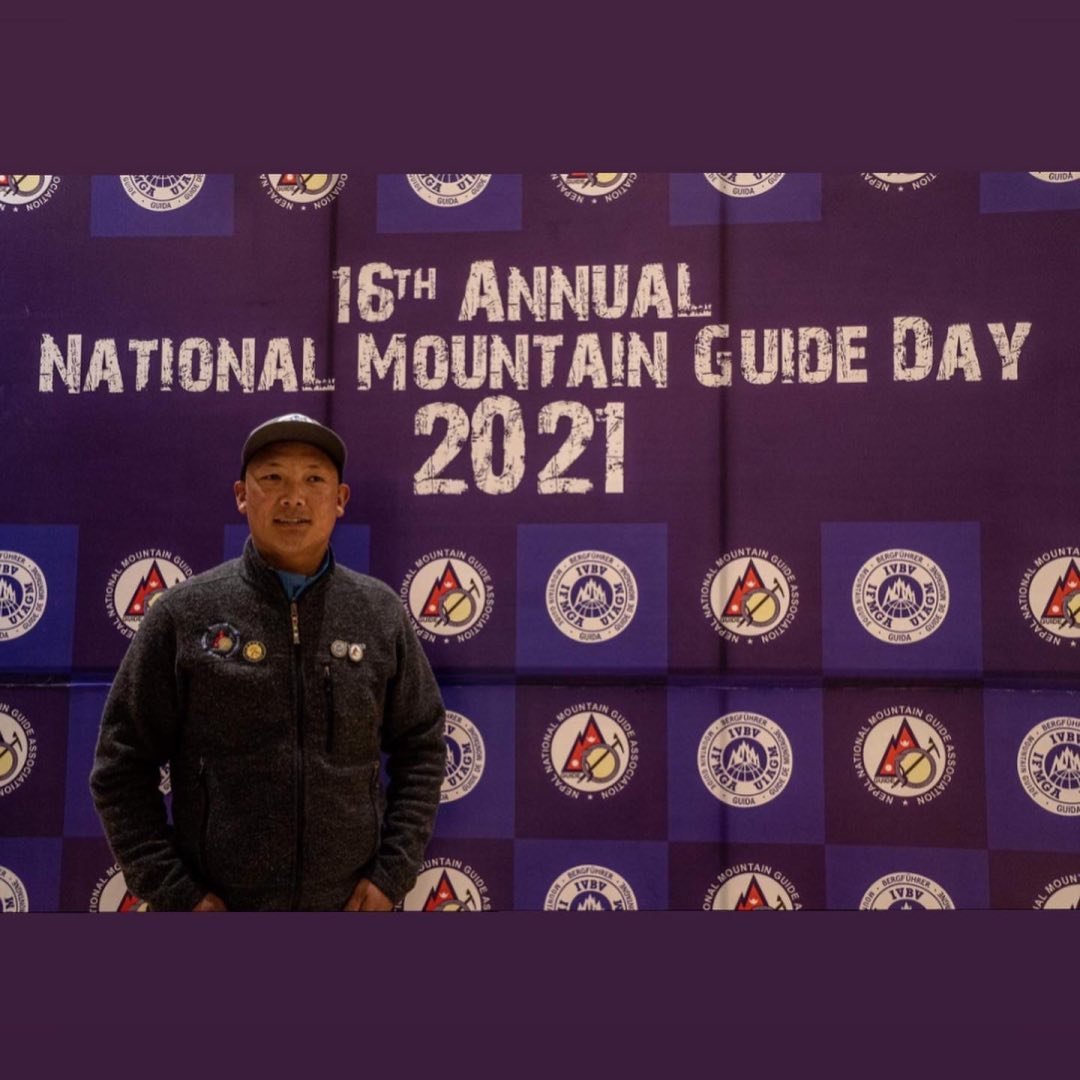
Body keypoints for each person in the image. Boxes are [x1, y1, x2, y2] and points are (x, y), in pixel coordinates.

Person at [90, 413, 446, 911]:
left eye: (314, 479)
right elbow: (121, 765)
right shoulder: (183, 614)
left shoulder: (379, 612)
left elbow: (422, 746)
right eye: (273, 477)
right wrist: (177, 892)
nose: (294, 497)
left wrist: (392, 874)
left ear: (340, 499)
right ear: (242, 495)